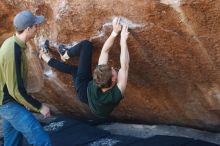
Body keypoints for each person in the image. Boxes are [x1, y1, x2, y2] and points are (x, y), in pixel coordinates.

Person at [39, 17, 130, 118]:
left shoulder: (100, 77)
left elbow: (107, 52)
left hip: (84, 91)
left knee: (83, 50)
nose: (113, 67)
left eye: (111, 70)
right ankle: (58, 56)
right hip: (93, 102)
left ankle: (61, 55)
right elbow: (124, 65)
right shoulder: (115, 92)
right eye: (111, 70)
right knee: (76, 68)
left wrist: (116, 34)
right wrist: (121, 38)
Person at [0, 10, 51, 146]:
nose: (37, 28)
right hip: (9, 104)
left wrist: (26, 98)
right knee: (42, 141)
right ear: (28, 29)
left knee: (12, 142)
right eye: (35, 25)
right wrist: (39, 107)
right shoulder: (13, 51)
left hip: (8, 101)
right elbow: (15, 90)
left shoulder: (14, 44)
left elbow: (14, 82)